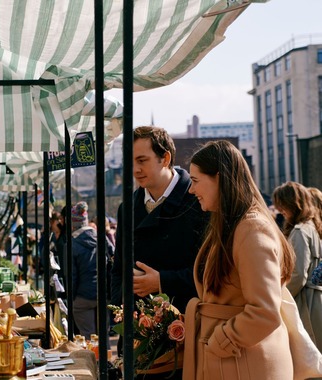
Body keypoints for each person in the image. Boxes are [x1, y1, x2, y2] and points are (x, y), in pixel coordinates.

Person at [184, 140, 295, 379]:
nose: (191, 190)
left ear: (219, 178)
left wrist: (220, 340)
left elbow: (264, 312)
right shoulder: (235, 225)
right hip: (234, 359)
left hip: (242, 361)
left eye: (195, 181)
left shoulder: (251, 228)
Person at [110, 126, 207, 378]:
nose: (135, 170)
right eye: (130, 162)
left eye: (142, 160)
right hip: (138, 341)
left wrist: (161, 282)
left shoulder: (198, 201)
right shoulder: (127, 207)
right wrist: (121, 311)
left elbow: (211, 272)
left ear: (165, 158)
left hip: (187, 340)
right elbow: (118, 268)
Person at [272, 181, 322, 353]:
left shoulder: (300, 231)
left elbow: (298, 274)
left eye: (282, 206)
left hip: (305, 302)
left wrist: (279, 298)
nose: (281, 211)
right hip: (316, 298)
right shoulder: (313, 227)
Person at [71, 201, 98, 340]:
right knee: (102, 334)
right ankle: (106, 361)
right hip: (102, 293)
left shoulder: (73, 243)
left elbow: (72, 275)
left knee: (87, 336)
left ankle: (92, 361)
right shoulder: (101, 238)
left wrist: (72, 297)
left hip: (82, 295)